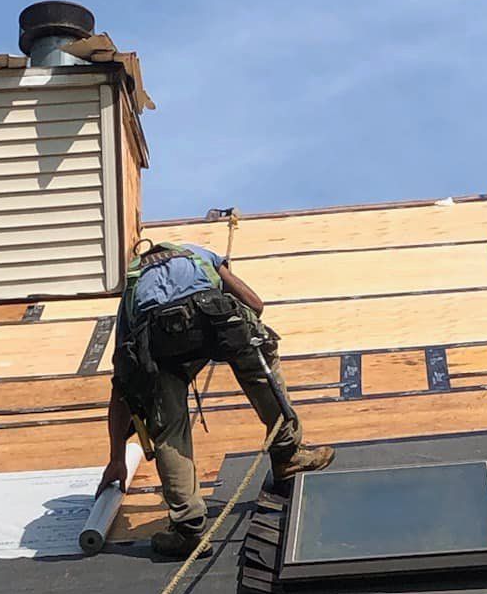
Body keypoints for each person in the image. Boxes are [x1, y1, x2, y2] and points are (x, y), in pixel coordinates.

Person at [100, 239, 334, 558]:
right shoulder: (197, 253)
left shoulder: (132, 285)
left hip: (157, 337)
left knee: (167, 425)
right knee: (259, 354)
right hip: (211, 315)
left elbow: (121, 385)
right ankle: (287, 454)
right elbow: (255, 304)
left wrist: (116, 458)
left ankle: (188, 530)